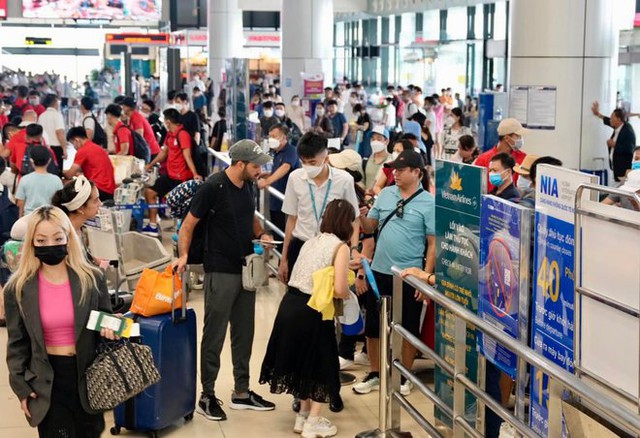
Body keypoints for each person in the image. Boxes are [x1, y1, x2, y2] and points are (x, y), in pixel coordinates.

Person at [176, 140, 275, 422]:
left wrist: (263, 234)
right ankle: (206, 395)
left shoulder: (249, 187)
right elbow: (188, 225)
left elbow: (252, 219)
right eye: (256, 166)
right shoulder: (213, 187)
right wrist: (183, 256)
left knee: (244, 332)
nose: (259, 171)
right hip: (219, 269)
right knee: (215, 333)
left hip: (246, 269)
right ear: (240, 164)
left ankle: (241, 392)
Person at [4, 205, 117, 437]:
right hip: (46, 381)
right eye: (41, 240)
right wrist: (21, 388)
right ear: (31, 243)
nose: (50, 245)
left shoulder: (91, 278)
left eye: (57, 238)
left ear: (69, 238)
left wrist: (111, 327)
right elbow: (17, 343)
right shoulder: (18, 288)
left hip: (88, 377)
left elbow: (105, 316)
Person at [260, 200, 353, 438]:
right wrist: (349, 285)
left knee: (302, 362)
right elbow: (340, 289)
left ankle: (302, 414)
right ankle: (314, 420)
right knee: (322, 363)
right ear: (346, 222)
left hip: (290, 304)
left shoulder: (311, 241)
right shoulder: (341, 247)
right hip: (315, 309)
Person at [356, 150, 436, 396]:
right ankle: (375, 373)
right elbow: (371, 226)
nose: (395, 174)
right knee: (373, 326)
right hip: (378, 271)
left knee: (407, 328)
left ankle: (404, 375)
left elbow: (433, 243)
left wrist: (426, 277)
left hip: (408, 276)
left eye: (400, 170)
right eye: (393, 170)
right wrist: (362, 218)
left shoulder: (428, 202)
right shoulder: (386, 194)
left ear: (417, 173)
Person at [279, 131, 361, 284]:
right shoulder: (295, 178)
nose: (307, 167)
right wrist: (284, 259)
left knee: (327, 299)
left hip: (330, 249)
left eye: (312, 162)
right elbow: (291, 219)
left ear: (326, 158)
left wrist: (354, 249)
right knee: (298, 296)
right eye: (303, 162)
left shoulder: (344, 180)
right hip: (301, 245)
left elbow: (355, 219)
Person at [143, 108, 202, 237]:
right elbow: (164, 153)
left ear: (168, 122)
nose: (164, 123)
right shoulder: (170, 135)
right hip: (170, 175)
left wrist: (195, 174)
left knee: (180, 206)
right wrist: (150, 165)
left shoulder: (183, 135)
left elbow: (188, 156)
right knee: (150, 192)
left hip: (182, 178)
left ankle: (182, 230)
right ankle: (153, 225)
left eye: (165, 121)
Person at [258, 124, 301, 236]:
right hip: (275, 202)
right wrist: (267, 175)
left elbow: (285, 167)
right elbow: (278, 170)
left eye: (274, 136)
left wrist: (267, 182)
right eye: (269, 136)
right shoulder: (277, 152)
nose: (271, 139)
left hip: (286, 201)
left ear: (284, 137)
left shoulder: (291, 151)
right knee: (276, 228)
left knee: (284, 232)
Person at [64, 127, 117, 202]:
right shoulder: (96, 147)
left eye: (73, 143)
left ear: (77, 140)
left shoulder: (83, 150)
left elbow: (69, 174)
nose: (74, 147)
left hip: (99, 190)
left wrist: (62, 174)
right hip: (110, 190)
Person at [475, 118, 528, 191]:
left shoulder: (523, 158)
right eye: (518, 136)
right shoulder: (483, 159)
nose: (521, 139)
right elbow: (477, 187)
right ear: (507, 138)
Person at [591, 102, 636, 182]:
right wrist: (598, 114)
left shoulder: (628, 130)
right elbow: (608, 121)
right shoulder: (618, 126)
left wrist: (615, 145)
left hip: (623, 171)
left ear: (618, 119)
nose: (611, 120)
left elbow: (629, 149)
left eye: (612, 117)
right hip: (615, 168)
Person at [15, 146, 63, 216]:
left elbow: (20, 203)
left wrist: (20, 219)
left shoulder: (25, 179)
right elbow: (59, 203)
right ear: (49, 160)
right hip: (49, 217)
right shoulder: (56, 180)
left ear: (31, 161)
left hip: (29, 217)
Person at [37, 94, 67, 171]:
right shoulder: (57, 115)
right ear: (55, 102)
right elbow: (59, 132)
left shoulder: (41, 116)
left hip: (44, 147)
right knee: (57, 171)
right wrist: (64, 148)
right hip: (56, 148)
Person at [363, 125, 390, 191]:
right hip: (365, 198)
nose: (375, 142)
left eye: (379, 139)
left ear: (386, 141)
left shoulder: (391, 160)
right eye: (373, 139)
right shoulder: (367, 159)